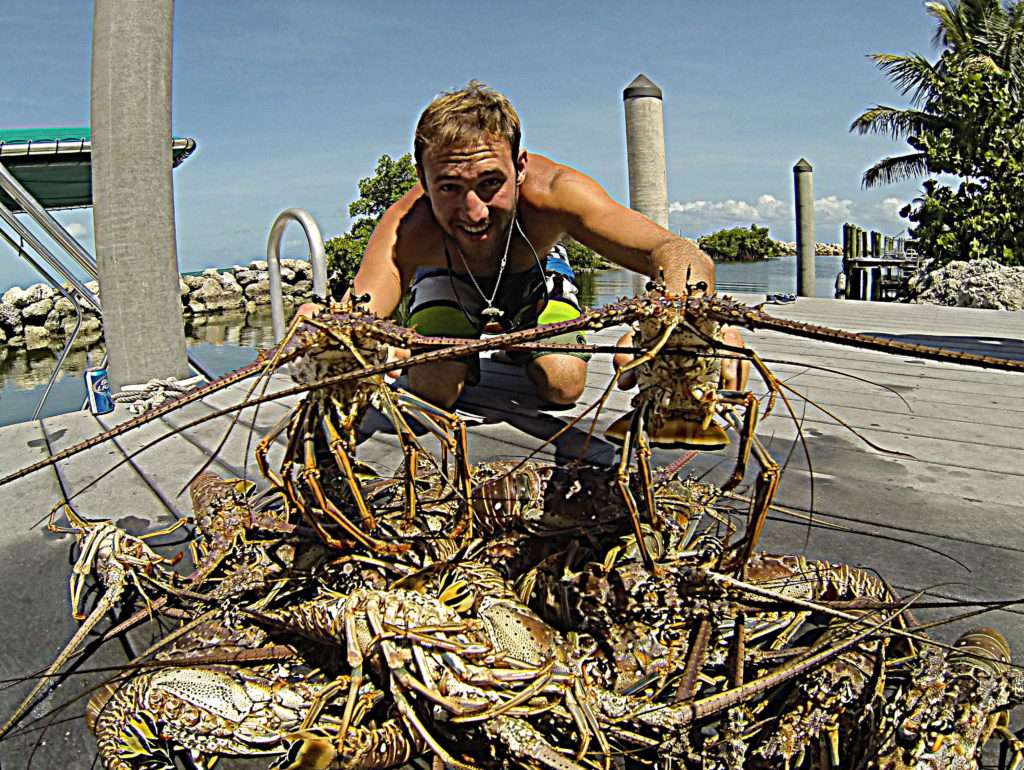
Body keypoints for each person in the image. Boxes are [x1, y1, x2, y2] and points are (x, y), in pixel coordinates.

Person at [349, 80, 746, 409]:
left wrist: (689, 322)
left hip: (536, 276)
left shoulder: (557, 192)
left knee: (563, 386)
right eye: (449, 187)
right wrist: (341, 331)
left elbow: (674, 251)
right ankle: (470, 347)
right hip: (448, 277)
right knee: (434, 391)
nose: (473, 213)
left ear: (519, 167)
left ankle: (519, 347)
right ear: (422, 175)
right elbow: (359, 310)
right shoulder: (407, 224)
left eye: (491, 183)